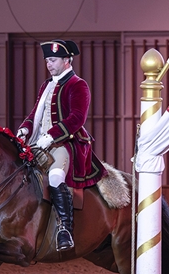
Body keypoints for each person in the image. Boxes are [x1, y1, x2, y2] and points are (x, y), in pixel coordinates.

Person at [16, 40, 106, 252]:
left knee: (56, 175)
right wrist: (25, 129)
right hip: (39, 143)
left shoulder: (78, 85)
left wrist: (52, 136)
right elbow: (35, 114)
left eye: (53, 60)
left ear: (67, 61)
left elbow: (77, 118)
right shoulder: (45, 85)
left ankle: (65, 229)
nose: (49, 64)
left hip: (65, 142)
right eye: (47, 60)